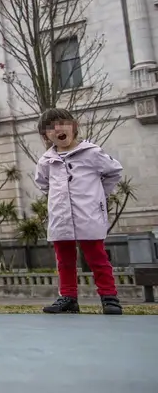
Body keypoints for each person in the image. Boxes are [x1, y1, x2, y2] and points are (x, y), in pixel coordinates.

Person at [35, 108, 124, 315]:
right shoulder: (46, 161)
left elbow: (114, 172)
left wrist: (99, 196)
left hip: (89, 214)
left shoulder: (92, 153)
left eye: (62, 123)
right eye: (50, 127)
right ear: (46, 135)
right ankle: (68, 297)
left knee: (97, 258)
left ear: (73, 127)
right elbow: (43, 184)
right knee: (64, 260)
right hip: (60, 217)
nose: (58, 129)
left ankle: (109, 297)